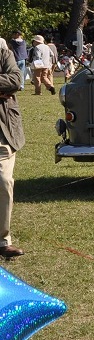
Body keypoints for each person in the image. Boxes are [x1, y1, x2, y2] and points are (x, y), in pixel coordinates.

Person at [0, 36, 24, 260]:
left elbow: (15, 80)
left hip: (2, 132)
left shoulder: (2, 51)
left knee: (3, 181)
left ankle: (2, 241)